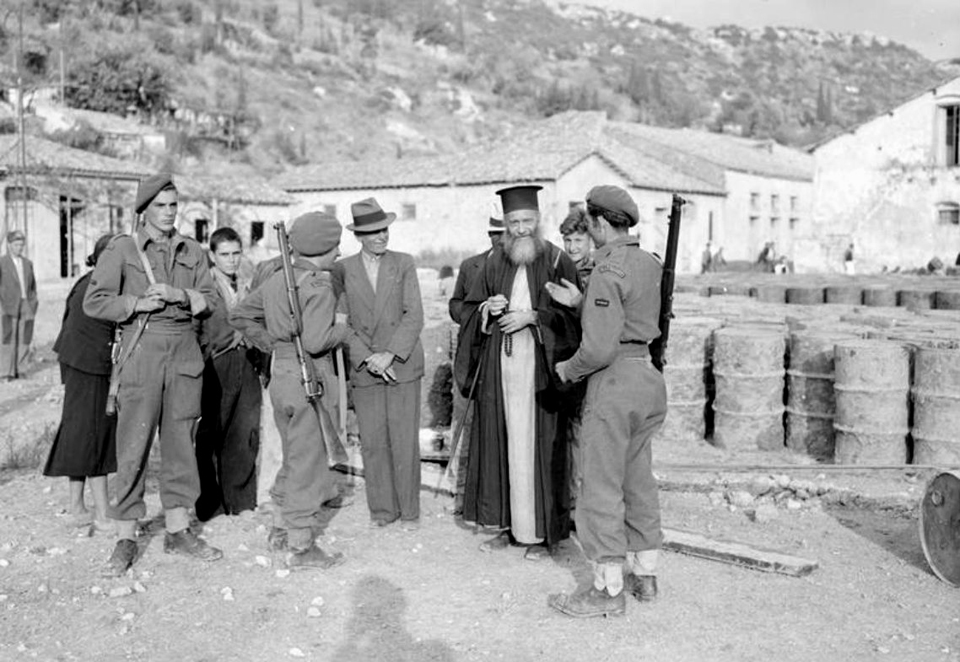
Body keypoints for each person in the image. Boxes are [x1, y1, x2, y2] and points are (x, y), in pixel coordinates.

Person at [84, 173, 222, 577]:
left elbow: (212, 300)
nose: (168, 213)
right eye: (160, 206)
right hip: (141, 350)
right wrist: (136, 303)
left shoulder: (192, 250)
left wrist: (181, 296)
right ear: (143, 210)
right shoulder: (122, 249)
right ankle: (125, 536)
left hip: (183, 351)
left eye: (173, 205)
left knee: (181, 443)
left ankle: (178, 530)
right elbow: (95, 301)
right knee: (133, 445)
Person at [547, 185, 667, 618]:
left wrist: (567, 370)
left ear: (598, 223)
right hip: (647, 378)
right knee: (637, 478)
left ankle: (607, 589)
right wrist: (582, 304)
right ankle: (645, 575)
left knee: (598, 484)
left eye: (589, 224)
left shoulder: (605, 269)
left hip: (613, 382)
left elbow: (598, 349)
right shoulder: (648, 263)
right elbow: (631, 316)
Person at [455, 185, 581, 559]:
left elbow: (575, 319)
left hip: (542, 371)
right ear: (505, 224)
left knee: (539, 447)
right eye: (514, 222)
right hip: (501, 367)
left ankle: (544, 536)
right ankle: (506, 526)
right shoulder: (495, 261)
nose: (522, 229)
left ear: (538, 220)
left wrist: (535, 318)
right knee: (501, 441)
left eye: (528, 221)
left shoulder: (559, 261)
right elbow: (468, 307)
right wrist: (486, 310)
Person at [230, 211, 348, 569]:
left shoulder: (276, 280)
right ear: (322, 249)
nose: (339, 254)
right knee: (309, 464)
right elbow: (315, 341)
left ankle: (280, 527)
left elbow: (239, 316)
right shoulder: (320, 285)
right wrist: (344, 328)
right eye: (335, 247)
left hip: (281, 378)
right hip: (310, 377)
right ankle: (300, 544)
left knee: (294, 455)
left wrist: (272, 344)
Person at [338, 198, 425, 530]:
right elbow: (341, 322)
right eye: (372, 232)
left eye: (384, 229)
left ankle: (410, 512)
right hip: (365, 367)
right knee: (373, 442)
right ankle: (383, 511)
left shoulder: (403, 264)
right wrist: (368, 357)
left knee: (404, 440)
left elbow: (414, 314)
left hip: (401, 365)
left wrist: (390, 354)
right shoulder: (342, 270)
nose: (380, 237)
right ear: (359, 235)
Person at [43, 235, 117, 534]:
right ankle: (102, 513)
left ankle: (77, 506)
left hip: (75, 362)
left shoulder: (86, 282)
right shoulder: (100, 290)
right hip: (90, 366)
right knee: (96, 434)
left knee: (78, 430)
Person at [194, 228, 262, 521]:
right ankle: (210, 502)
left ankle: (241, 500)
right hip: (216, 365)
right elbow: (199, 330)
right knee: (211, 433)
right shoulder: (205, 286)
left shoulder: (247, 283)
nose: (232, 260)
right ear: (212, 255)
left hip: (246, 362)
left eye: (236, 253)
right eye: (225, 254)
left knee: (244, 432)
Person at [446, 216, 505, 514]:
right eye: (495, 234)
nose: (500, 240)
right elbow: (455, 306)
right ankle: (461, 493)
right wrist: (480, 309)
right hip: (472, 356)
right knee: (466, 424)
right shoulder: (471, 265)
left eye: (504, 233)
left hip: (505, 358)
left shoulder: (526, 268)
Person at [448, 217, 505, 325]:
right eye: (497, 233)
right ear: (489, 234)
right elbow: (455, 306)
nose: (502, 239)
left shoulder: (529, 266)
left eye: (508, 234)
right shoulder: (469, 265)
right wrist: (482, 313)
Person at [0, 229, 38, 380]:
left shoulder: (28, 264)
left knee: (25, 337)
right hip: (8, 306)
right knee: (8, 338)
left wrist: (33, 303)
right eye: (16, 244)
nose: (19, 248)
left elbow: (33, 287)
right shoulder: (2, 263)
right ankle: (6, 372)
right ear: (9, 245)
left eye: (21, 245)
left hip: (26, 305)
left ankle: (21, 369)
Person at [560, 206, 595, 285]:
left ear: (591, 241)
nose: (572, 248)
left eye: (578, 240)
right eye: (568, 240)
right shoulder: (558, 271)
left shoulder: (597, 273)